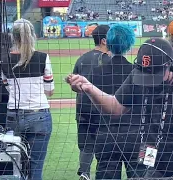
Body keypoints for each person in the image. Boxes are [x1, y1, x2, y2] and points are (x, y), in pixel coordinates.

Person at [67, 38, 173, 178]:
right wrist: (90, 88)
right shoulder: (139, 75)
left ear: (170, 66)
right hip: (155, 163)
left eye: (154, 76)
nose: (148, 82)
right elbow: (115, 107)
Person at [1, 19, 54, 180]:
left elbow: (7, 87)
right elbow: (49, 90)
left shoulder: (4, 60)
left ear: (13, 37)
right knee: (36, 167)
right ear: (32, 35)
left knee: (16, 165)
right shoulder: (42, 57)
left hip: (14, 116)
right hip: (39, 114)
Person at [90, 24, 144, 180]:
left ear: (108, 43)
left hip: (106, 135)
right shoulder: (137, 72)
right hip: (136, 135)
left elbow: (92, 109)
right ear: (129, 44)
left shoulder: (96, 73)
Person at [72, 24, 111, 179]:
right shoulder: (111, 61)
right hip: (104, 111)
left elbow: (75, 87)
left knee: (86, 146)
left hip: (83, 111)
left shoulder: (82, 59)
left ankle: (84, 173)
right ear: (104, 41)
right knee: (105, 148)